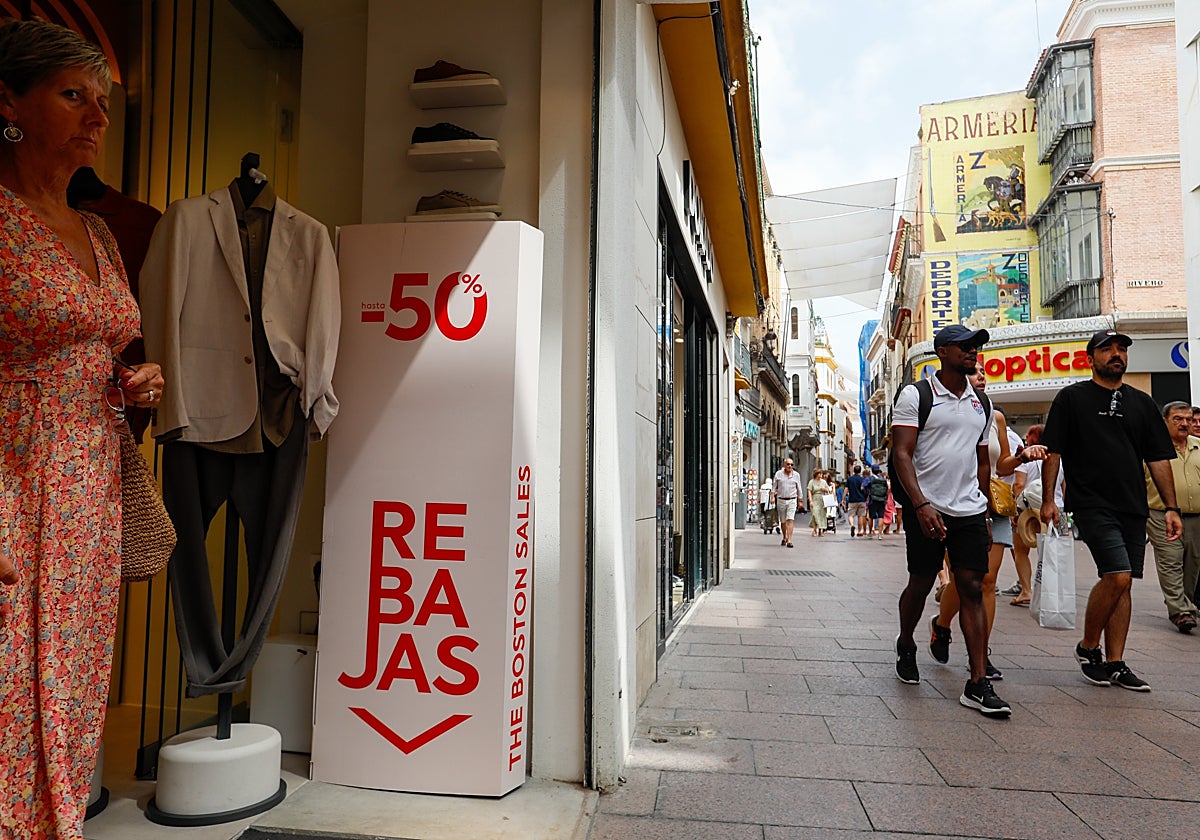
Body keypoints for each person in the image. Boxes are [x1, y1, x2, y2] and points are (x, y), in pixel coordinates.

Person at [0, 20, 165, 839]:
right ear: (9, 101)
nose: (97, 117)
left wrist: (136, 381)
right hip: (15, 485)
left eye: (102, 101)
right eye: (74, 96)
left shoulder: (99, 231)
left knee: (67, 687)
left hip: (89, 492)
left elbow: (94, 342)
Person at [1041, 329, 1180, 691]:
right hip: (1090, 502)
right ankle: (1089, 648)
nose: (1116, 354)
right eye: (1107, 349)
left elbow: (1159, 458)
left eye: (1121, 349)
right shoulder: (1071, 398)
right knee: (1116, 575)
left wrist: (1171, 507)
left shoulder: (1142, 402)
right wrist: (1048, 500)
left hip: (1132, 505)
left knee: (1124, 584)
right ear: (1091, 358)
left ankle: (1116, 661)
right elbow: (1053, 451)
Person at [891, 324, 1010, 716]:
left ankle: (977, 682)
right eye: (964, 346)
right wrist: (921, 505)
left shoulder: (983, 403)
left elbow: (982, 459)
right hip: (927, 506)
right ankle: (907, 640)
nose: (973, 352)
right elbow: (902, 454)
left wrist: (986, 507)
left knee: (973, 585)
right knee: (922, 583)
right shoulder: (917, 395)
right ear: (942, 352)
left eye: (976, 347)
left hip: (969, 509)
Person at [932, 363, 1045, 680]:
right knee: (963, 579)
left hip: (993, 504)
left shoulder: (995, 417)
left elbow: (1005, 465)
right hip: (956, 506)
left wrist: (1024, 456)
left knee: (988, 582)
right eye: (973, 371)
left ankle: (980, 654)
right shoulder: (943, 413)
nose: (980, 375)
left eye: (983, 371)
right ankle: (941, 626)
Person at [1144, 401, 1200, 633]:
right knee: (1171, 560)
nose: (1185, 423)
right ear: (1164, 421)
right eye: (1178, 419)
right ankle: (1180, 610)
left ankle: (1185, 604)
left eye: (1188, 419)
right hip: (1160, 514)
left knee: (1192, 563)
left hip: (1196, 517)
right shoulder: (1151, 449)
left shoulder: (1198, 446)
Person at [1008, 424, 1062, 606]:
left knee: (1021, 551)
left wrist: (1014, 509)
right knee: (1050, 552)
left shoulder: (1026, 459)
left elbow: (1018, 485)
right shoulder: (1059, 459)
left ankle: (1026, 590)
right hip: (1055, 507)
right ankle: (1051, 592)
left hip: (1028, 509)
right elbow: (1064, 487)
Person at [773, 458, 803, 547]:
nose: (790, 466)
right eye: (788, 464)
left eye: (791, 464)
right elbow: (774, 487)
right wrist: (772, 497)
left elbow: (799, 488)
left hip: (792, 499)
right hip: (781, 499)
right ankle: (784, 537)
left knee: (790, 519)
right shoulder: (778, 474)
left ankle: (789, 540)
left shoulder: (796, 475)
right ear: (784, 465)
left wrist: (800, 500)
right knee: (783, 521)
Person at [806, 467, 831, 538]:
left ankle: (821, 530)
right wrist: (810, 501)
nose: (821, 475)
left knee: (822, 515)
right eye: (820, 473)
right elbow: (809, 491)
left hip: (822, 499)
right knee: (815, 514)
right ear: (816, 474)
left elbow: (828, 490)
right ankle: (814, 529)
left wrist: (825, 489)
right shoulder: (811, 482)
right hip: (814, 498)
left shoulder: (823, 482)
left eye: (821, 473)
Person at [845, 464, 869, 537]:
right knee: (860, 516)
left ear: (854, 471)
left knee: (850, 515)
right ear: (860, 471)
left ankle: (852, 525)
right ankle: (859, 531)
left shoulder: (849, 479)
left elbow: (846, 489)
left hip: (852, 500)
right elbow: (866, 489)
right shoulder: (863, 479)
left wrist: (843, 498)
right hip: (862, 500)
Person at [866, 468, 889, 539]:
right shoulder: (883, 479)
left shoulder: (869, 479)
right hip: (882, 500)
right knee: (881, 517)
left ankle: (870, 532)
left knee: (871, 517)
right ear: (879, 471)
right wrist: (886, 498)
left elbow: (863, 487)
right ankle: (880, 534)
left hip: (872, 500)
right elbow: (887, 489)